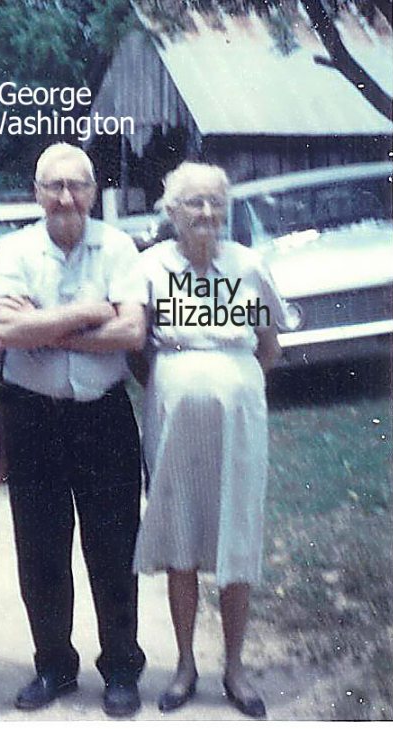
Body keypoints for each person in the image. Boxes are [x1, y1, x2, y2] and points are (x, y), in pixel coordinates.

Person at [0, 142, 147, 717]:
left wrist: (44, 327)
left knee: (114, 547)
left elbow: (131, 333)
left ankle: (121, 668)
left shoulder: (119, 247)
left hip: (103, 416)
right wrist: (88, 313)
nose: (65, 197)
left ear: (93, 192)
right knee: (41, 550)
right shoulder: (14, 250)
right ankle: (53, 665)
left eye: (76, 185)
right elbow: (7, 331)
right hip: (33, 417)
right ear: (37, 193)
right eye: (53, 186)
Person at [132, 162, 287, 718]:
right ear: (171, 211)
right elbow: (137, 351)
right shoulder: (150, 267)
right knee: (181, 534)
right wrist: (181, 384)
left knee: (235, 535)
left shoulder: (249, 266)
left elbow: (269, 347)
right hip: (172, 418)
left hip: (239, 421)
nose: (205, 213)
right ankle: (183, 665)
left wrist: (230, 384)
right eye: (193, 202)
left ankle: (236, 668)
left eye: (215, 203)